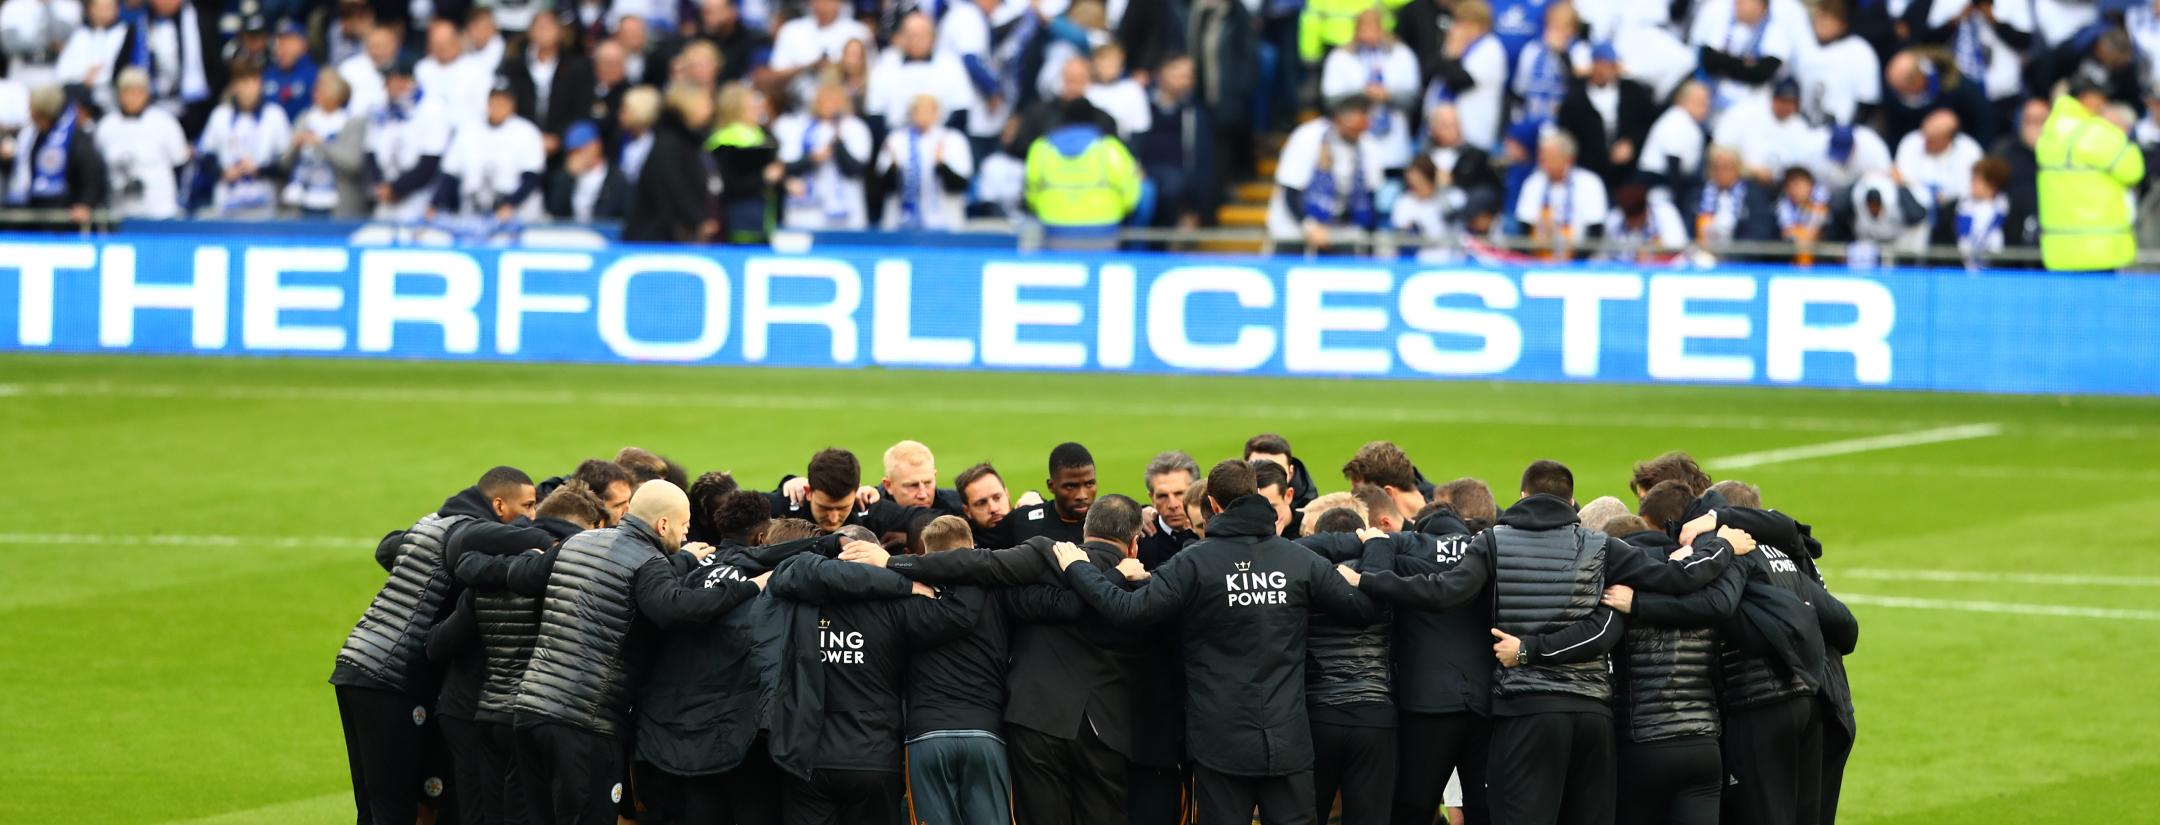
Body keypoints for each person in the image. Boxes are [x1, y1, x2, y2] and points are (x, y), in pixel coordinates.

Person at [1341, 460, 1754, 825]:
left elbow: (1442, 592)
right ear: (1572, 503)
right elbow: (1679, 579)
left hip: (1526, 711)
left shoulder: (1493, 542)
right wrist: (1724, 545)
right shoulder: (1602, 546)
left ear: (1522, 496)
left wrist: (1367, 579)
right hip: (1592, 714)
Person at [1053, 461, 1388, 825]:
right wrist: (1377, 546)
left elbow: (1127, 609)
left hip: (1219, 745)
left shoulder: (1194, 564)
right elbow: (1364, 609)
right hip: (1287, 740)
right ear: (1256, 496)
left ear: (1212, 504)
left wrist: (1079, 568)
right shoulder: (1296, 559)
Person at [511, 480, 768, 825]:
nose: (686, 533)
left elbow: (521, 577)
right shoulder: (648, 562)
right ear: (663, 525)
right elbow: (679, 609)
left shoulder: (579, 541)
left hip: (530, 708)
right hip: (586, 724)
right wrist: (750, 585)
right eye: (684, 525)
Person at [332, 466, 536, 825]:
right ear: (499, 505)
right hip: (392, 677)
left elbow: (387, 548)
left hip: (355, 662)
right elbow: (521, 539)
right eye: (529, 505)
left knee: (372, 800)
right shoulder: (469, 531)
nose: (532, 514)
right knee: (396, 806)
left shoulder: (433, 522)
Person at [2036, 78, 2143, 271]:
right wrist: (2119, 130)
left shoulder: (2051, 130)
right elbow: (2134, 169)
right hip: (2097, 249)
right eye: (2101, 97)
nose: (2104, 102)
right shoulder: (2093, 132)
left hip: (2058, 250)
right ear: (2087, 98)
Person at [1024, 97, 1143, 250]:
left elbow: (1031, 196)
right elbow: (1131, 197)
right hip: (1104, 230)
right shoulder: (1110, 148)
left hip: (1054, 231)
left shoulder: (1041, 148)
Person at [1268, 96, 1382, 250]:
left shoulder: (1368, 143)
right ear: (1338, 119)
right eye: (1353, 128)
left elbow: (1370, 196)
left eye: (1361, 128)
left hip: (1340, 231)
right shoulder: (1308, 136)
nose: (1358, 134)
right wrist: (1309, 227)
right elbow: (1291, 191)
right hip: (1295, 230)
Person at [433, 76, 546, 223]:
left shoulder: (527, 132)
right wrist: (434, 204)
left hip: (514, 216)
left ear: (512, 104)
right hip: (472, 212)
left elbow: (532, 178)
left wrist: (510, 206)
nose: (497, 106)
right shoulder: (468, 129)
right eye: (494, 100)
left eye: (503, 101)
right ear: (487, 103)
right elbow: (450, 174)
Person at [1321, 7, 1421, 173]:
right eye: (1364, 28)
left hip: (1393, 147)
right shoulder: (1340, 57)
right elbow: (1329, 101)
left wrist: (1388, 95)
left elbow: (1414, 99)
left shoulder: (1402, 54)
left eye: (1374, 28)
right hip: (1352, 148)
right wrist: (1363, 95)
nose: (1369, 34)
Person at [192, 58, 291, 219]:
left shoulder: (275, 115)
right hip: (226, 205)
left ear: (260, 84)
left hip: (264, 206)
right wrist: (222, 172)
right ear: (235, 86)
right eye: (244, 82)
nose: (249, 89)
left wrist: (259, 169)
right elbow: (205, 157)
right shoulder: (220, 115)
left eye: (254, 82)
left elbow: (286, 162)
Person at [625, 83, 721, 243]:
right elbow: (674, 186)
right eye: (706, 103)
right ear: (688, 104)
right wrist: (697, 219)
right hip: (656, 239)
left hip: (676, 233)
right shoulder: (669, 143)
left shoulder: (691, 141)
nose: (711, 109)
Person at [774, 77, 872, 230]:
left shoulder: (854, 128)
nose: (828, 105)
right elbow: (785, 166)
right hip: (807, 211)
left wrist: (837, 144)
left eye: (834, 101)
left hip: (847, 211)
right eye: (824, 100)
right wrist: (812, 159)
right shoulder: (800, 127)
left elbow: (856, 169)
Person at [1556, 42, 1656, 190]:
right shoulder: (1575, 99)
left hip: (1628, 173)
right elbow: (1567, 135)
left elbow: (1650, 125)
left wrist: (1632, 143)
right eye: (1603, 64)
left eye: (1611, 64)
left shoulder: (1633, 92)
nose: (1607, 69)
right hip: (1589, 174)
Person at [365, 58, 452, 223]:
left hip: (419, 199)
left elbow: (430, 163)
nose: (387, 85)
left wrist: (396, 189)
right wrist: (382, 187)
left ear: (406, 80)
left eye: (391, 79)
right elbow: (370, 154)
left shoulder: (432, 108)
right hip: (386, 199)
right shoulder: (380, 108)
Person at [95, 68, 190, 220]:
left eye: (138, 92)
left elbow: (180, 160)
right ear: (119, 95)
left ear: (147, 94)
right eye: (128, 92)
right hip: (120, 213)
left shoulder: (164, 122)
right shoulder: (106, 126)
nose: (133, 98)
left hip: (159, 212)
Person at [861, 11, 973, 133]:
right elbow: (875, 111)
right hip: (896, 139)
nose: (916, 41)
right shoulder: (886, 63)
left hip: (941, 140)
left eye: (921, 35)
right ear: (902, 37)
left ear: (932, 37)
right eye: (911, 35)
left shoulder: (950, 64)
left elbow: (961, 109)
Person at [877, 93, 974, 231]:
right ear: (910, 113)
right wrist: (894, 168)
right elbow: (883, 186)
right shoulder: (896, 139)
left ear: (937, 113)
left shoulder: (952, 139)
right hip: (900, 224)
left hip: (945, 223)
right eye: (918, 110)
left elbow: (962, 184)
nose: (923, 115)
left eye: (928, 110)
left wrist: (941, 166)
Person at [281, 69, 369, 218]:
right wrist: (295, 146)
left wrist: (320, 144)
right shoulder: (305, 118)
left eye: (323, 88)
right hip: (302, 203)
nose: (317, 92)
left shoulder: (353, 122)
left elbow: (353, 164)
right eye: (317, 87)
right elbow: (284, 163)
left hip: (337, 206)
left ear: (338, 93)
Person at [1422, 0, 1507, 151]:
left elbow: (1461, 81)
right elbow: (1427, 72)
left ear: (1478, 25)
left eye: (1461, 23)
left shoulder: (1490, 48)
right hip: (1437, 133)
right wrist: (1448, 53)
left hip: (1471, 135)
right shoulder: (1457, 46)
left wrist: (1452, 57)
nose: (1455, 28)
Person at [1513, 129, 1608, 258]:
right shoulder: (1533, 183)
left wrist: (1571, 261)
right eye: (1541, 156)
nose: (1542, 161)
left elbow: (1595, 233)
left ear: (1568, 159)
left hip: (1581, 264)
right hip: (1538, 262)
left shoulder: (1590, 183)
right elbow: (1523, 230)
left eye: (1549, 156)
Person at [1714, 78, 1823, 185]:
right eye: (1783, 100)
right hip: (1746, 180)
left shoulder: (1801, 128)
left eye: (1791, 102)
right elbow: (1721, 150)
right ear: (1774, 99)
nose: (1786, 106)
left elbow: (1804, 168)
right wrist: (1751, 170)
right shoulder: (1748, 114)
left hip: (1783, 188)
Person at [707, 82, 779, 244]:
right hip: (739, 217)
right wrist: (764, 178)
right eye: (752, 105)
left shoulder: (760, 134)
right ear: (736, 108)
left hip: (763, 214)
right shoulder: (725, 139)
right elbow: (729, 183)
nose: (758, 109)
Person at [1794, 0, 1882, 127]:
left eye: (1826, 19)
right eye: (1818, 17)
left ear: (1842, 24)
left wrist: (1849, 132)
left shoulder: (1860, 51)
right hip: (1804, 131)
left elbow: (1867, 103)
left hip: (1842, 135)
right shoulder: (1804, 46)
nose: (1819, 23)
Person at [1424, 104, 1504, 225]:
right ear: (1434, 129)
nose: (1454, 130)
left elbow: (1490, 189)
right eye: (1447, 126)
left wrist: (1452, 180)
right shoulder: (1423, 158)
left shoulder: (1477, 156)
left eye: (1456, 124)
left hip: (1465, 221)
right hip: (1430, 214)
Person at [1684, 145, 1779, 247]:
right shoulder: (1697, 195)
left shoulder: (1753, 194)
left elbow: (1760, 231)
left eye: (1725, 167)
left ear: (1738, 168)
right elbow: (1687, 230)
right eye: (1716, 167)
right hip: (1702, 256)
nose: (1720, 173)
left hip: (1740, 258)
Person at [1895, 108, 1985, 210]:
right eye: (1924, 135)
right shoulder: (1911, 141)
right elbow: (1901, 180)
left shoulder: (1970, 150)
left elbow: (1970, 190)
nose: (1924, 142)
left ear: (1947, 139)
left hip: (1952, 212)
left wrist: (1945, 199)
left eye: (1931, 140)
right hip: (1914, 210)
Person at [1009, 442, 1096, 545]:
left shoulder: (1111, 525)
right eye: (1070, 486)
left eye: (1089, 484)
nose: (1082, 495)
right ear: (1051, 486)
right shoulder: (1023, 522)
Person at [545, 119, 629, 221]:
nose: (575, 156)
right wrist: (568, 176)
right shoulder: (565, 178)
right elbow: (555, 211)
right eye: (571, 152)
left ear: (596, 147)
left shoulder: (617, 180)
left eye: (579, 150)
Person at [1636, 79, 1710, 192]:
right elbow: (1673, 159)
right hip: (1655, 181)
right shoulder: (1676, 119)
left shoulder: (1690, 123)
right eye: (1700, 101)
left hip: (1672, 179)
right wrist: (1677, 197)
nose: (1706, 106)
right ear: (1684, 100)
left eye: (1707, 101)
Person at [1137, 449, 1202, 568]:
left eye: (1179, 493)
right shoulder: (1139, 542)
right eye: (1163, 496)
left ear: (1196, 492)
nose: (1173, 505)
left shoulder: (1213, 532)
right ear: (1152, 498)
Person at [1952, 155, 2013, 268]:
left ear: (1992, 185)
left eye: (1977, 180)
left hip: (1997, 273)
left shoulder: (2009, 212)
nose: (1972, 184)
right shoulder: (1957, 208)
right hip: (1961, 273)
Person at [1773, 166, 1833, 265]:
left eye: (1797, 185)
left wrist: (1799, 234)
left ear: (1810, 185)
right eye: (1788, 186)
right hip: (1790, 266)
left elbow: (1814, 233)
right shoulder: (1781, 207)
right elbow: (1785, 232)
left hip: (1823, 266)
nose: (1793, 190)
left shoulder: (1824, 204)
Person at [260, 18, 317, 121]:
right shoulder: (267, 74)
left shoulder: (315, 75)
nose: (283, 47)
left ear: (304, 44)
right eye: (280, 41)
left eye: (289, 41)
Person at [952, 462, 1015, 548]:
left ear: (1007, 495)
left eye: (997, 497)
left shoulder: (1031, 523)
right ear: (967, 511)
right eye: (981, 503)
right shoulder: (966, 548)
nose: (993, 508)